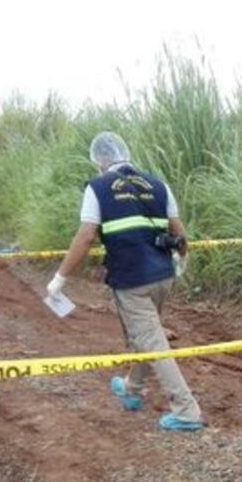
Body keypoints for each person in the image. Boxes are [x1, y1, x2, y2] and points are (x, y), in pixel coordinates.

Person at [47, 132, 204, 433]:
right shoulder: (158, 185)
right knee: (147, 335)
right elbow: (180, 233)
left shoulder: (97, 188)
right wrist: (181, 260)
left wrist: (59, 278)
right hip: (163, 276)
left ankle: (186, 410)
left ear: (99, 160)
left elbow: (86, 236)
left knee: (152, 341)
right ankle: (132, 389)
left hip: (132, 280)